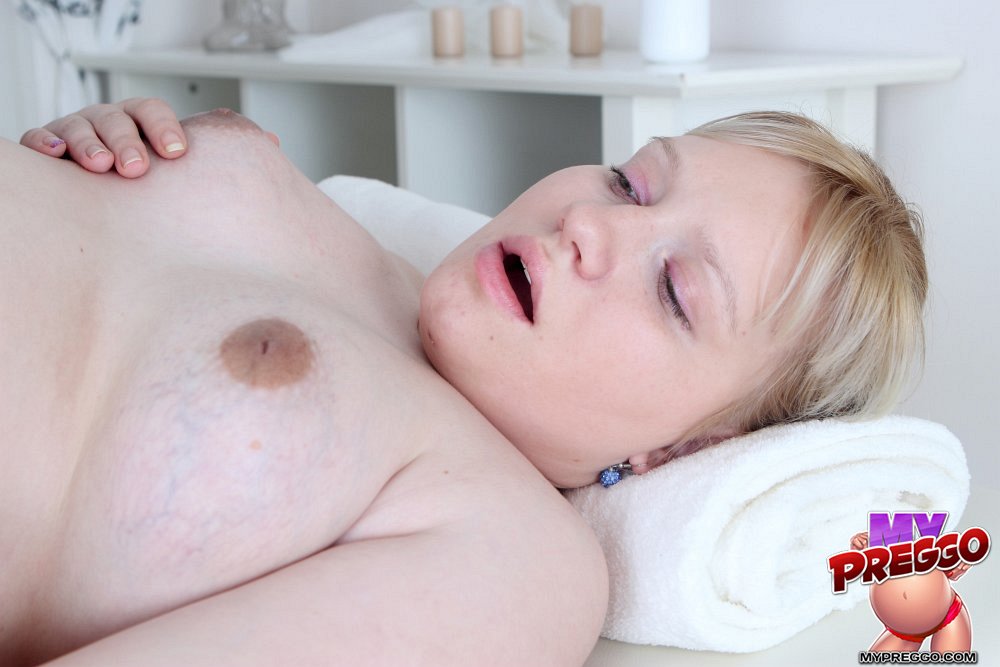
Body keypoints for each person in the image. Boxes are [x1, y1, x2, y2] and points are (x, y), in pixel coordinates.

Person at [3, 99, 926, 666]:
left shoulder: (518, 554)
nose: (589, 224)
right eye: (630, 183)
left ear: (689, 447)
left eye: (676, 291)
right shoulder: (357, 236)